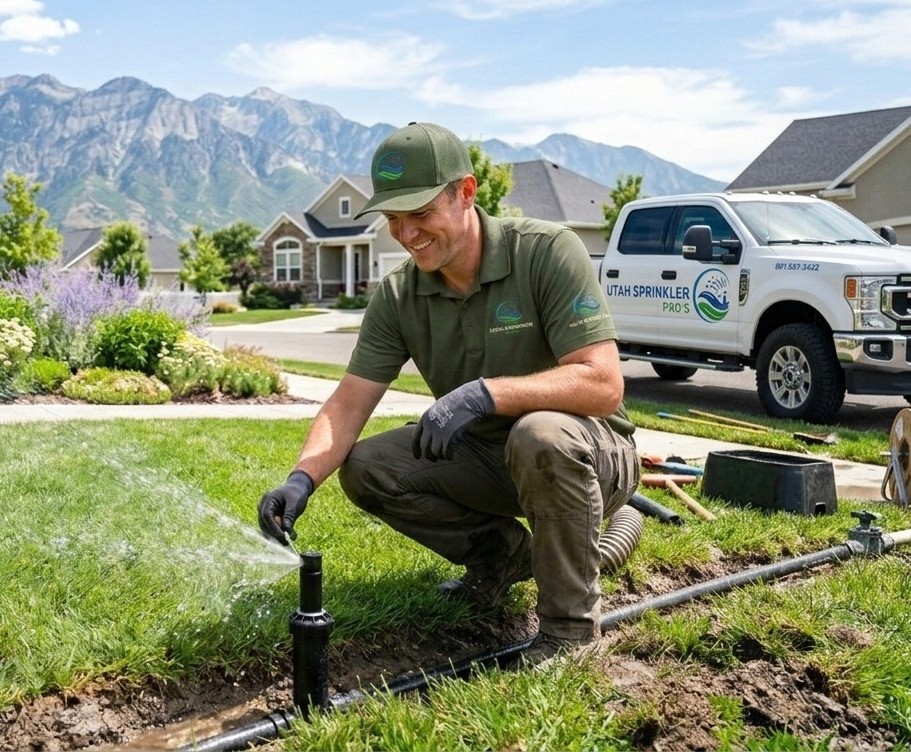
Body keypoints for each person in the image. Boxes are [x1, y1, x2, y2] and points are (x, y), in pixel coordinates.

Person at [258, 122, 640, 662]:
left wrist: (485, 394)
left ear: (465, 193)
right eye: (393, 219)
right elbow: (348, 402)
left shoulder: (547, 251)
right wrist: (300, 479)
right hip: (489, 458)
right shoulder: (400, 294)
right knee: (367, 465)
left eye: (420, 215)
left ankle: (568, 632)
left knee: (540, 433)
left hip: (589, 452)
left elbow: (603, 383)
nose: (406, 234)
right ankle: (504, 559)